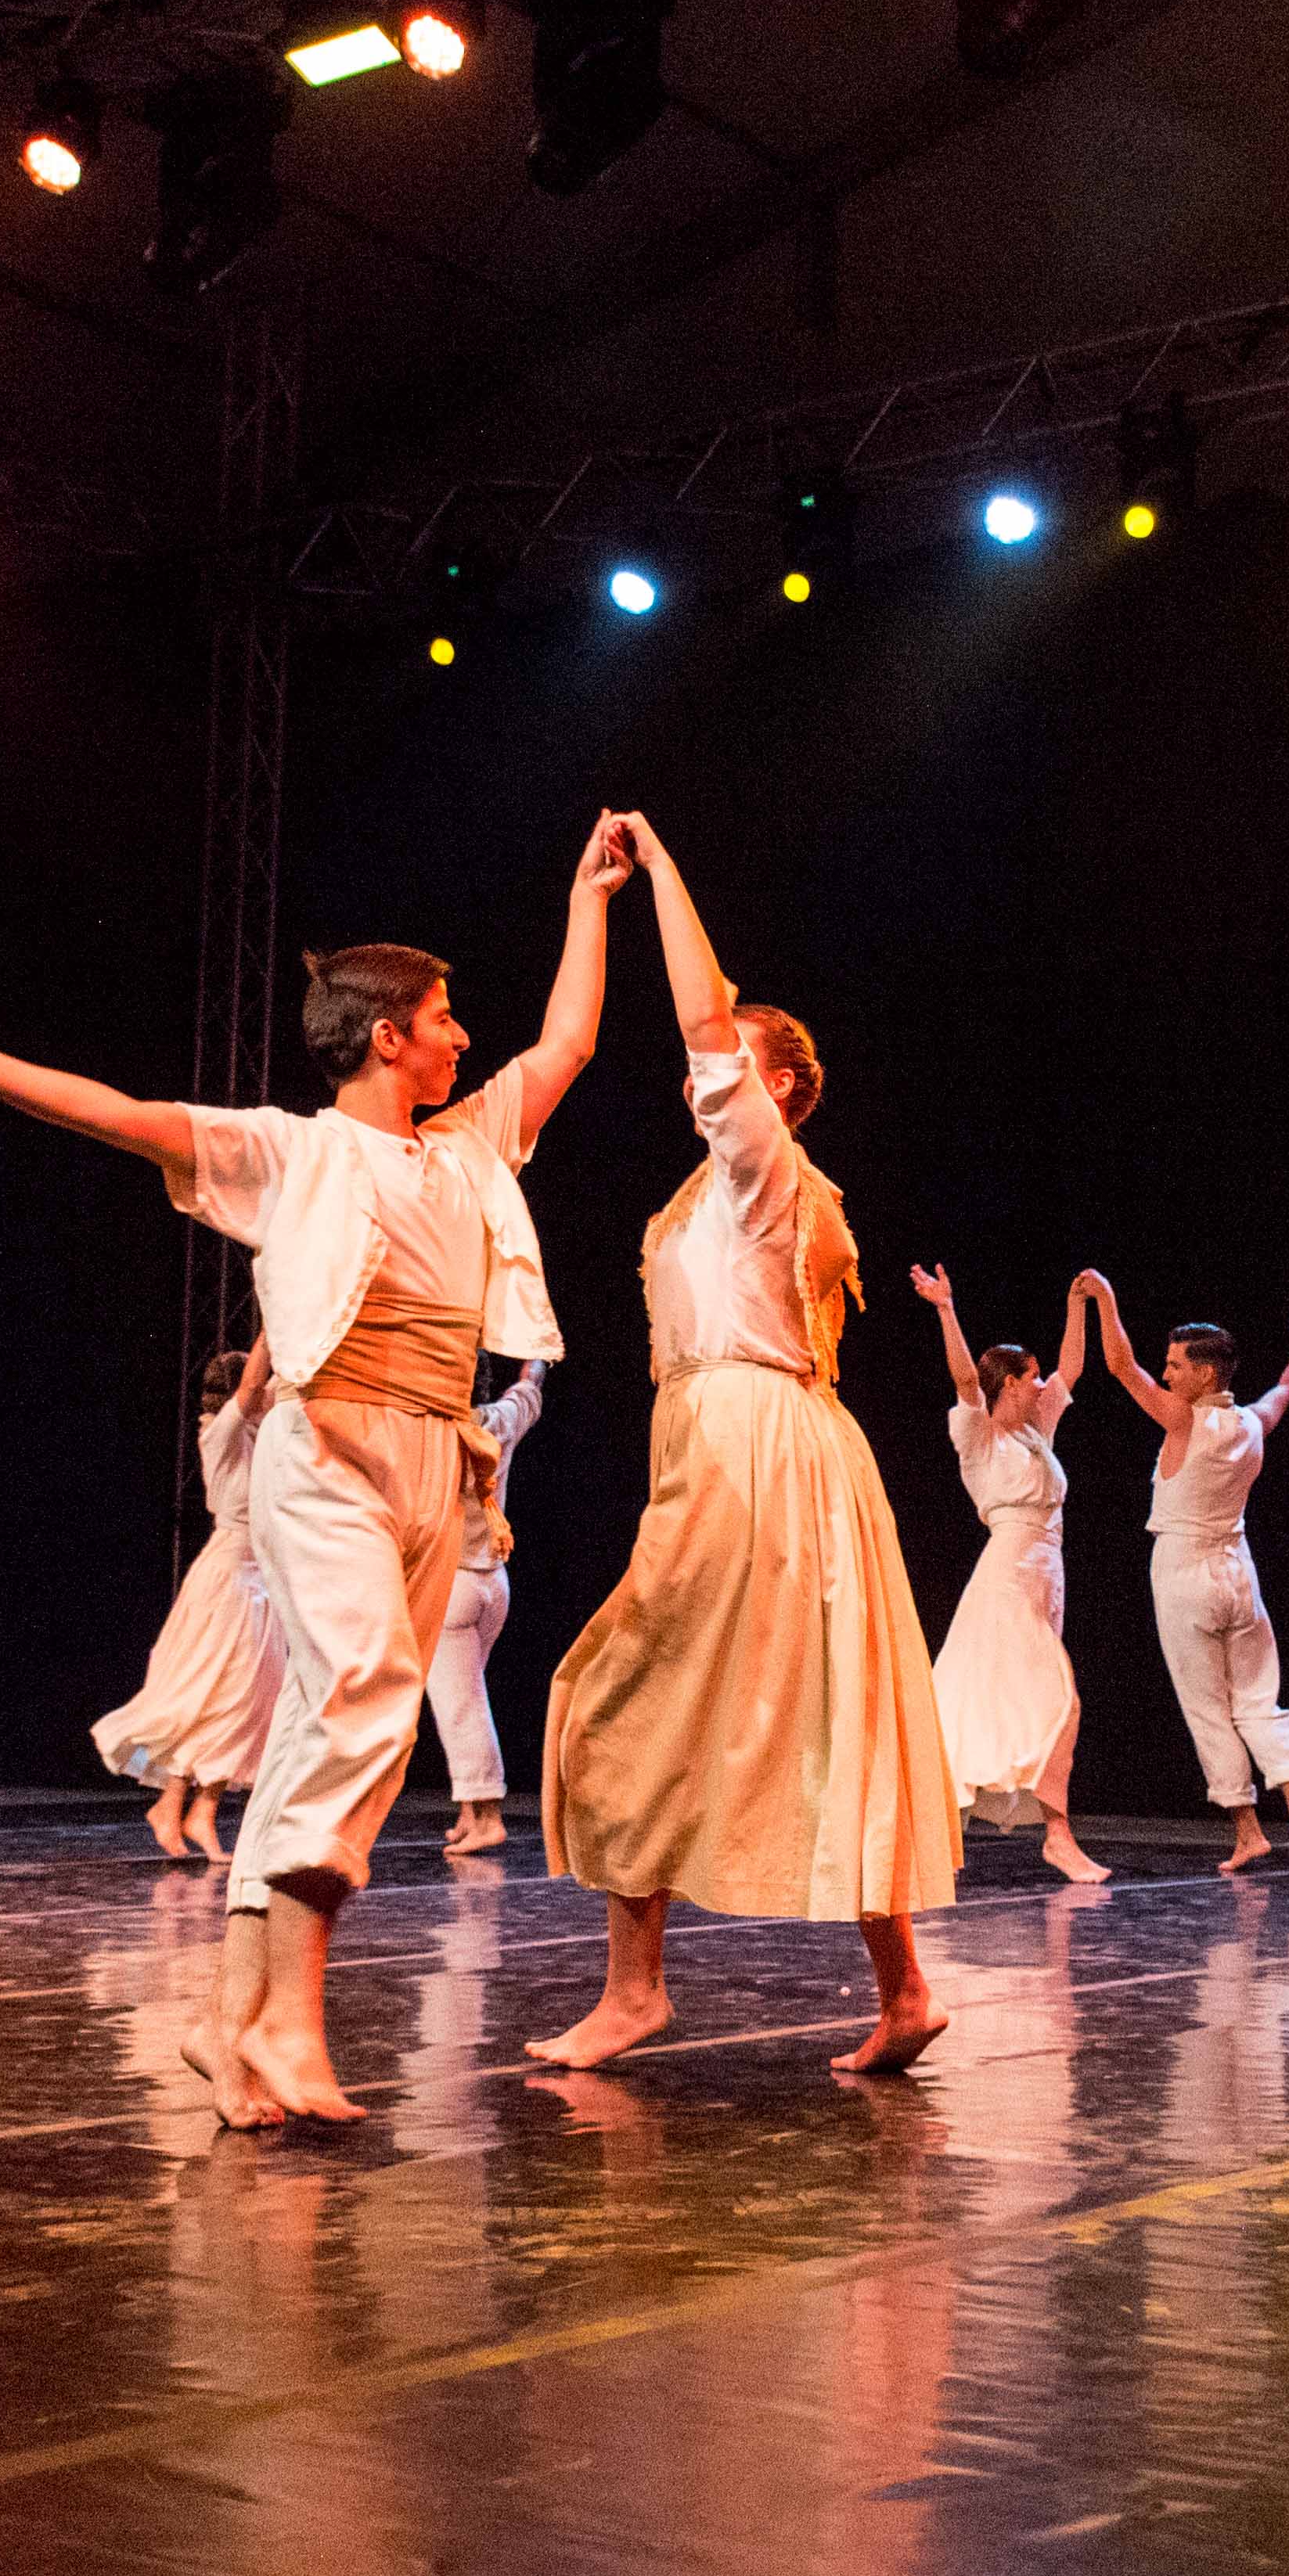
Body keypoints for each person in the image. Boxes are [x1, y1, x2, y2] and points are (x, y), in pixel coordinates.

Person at [0, 811, 624, 2128]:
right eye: (443, 1018)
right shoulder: (295, 1151)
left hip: (434, 1457)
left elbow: (569, 1044)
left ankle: (234, 2021)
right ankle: (292, 2029)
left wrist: (588, 897)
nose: (460, 1037)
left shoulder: (469, 1147)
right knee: (373, 1696)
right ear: (388, 1035)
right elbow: (127, 1117)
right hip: (327, 1446)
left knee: (333, 1744)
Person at [531, 811, 956, 2074]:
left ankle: (640, 1988)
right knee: (773, 1704)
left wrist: (658, 875)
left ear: (777, 1085)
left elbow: (705, 1019)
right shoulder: (713, 1193)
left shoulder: (768, 1167)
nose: (705, 1065)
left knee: (624, 1695)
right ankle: (900, 1990)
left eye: (736, 1058)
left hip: (757, 1444)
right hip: (743, 1445)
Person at [1086, 1275, 1289, 1873]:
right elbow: (1287, 1386)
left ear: (1205, 1375)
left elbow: (1120, 1366)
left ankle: (1248, 1830)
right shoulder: (1251, 1423)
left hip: (1185, 1572)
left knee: (1207, 1706)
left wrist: (1105, 1297)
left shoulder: (1184, 1422)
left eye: (1174, 1365)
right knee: (1256, 1697)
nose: (1166, 1374)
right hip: (1238, 1573)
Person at [910, 1262, 1108, 1884]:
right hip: (1007, 1577)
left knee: (981, 1705)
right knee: (1061, 1702)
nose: (1044, 1382)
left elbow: (1073, 1369)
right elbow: (967, 1378)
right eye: (1032, 1376)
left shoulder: (1036, 1431)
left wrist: (1080, 1303)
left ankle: (933, 1830)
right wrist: (946, 1307)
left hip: (1045, 1575)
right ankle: (1058, 1836)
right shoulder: (980, 1436)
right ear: (1011, 1385)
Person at [95, 1345, 282, 1862]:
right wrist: (273, 1322)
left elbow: (284, 1391)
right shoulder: (220, 1432)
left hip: (262, 1580)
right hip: (226, 1580)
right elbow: (254, 1392)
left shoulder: (260, 1435)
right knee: (209, 1692)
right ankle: (172, 1803)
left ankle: (201, 1810)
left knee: (248, 1701)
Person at [427, 1354, 546, 1855]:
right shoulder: (498, 1419)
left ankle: (489, 1817)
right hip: (494, 1582)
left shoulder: (437, 1434)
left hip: (455, 1584)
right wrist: (536, 1353)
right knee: (468, 1695)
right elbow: (529, 1386)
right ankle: (468, 1811)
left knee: (460, 1705)